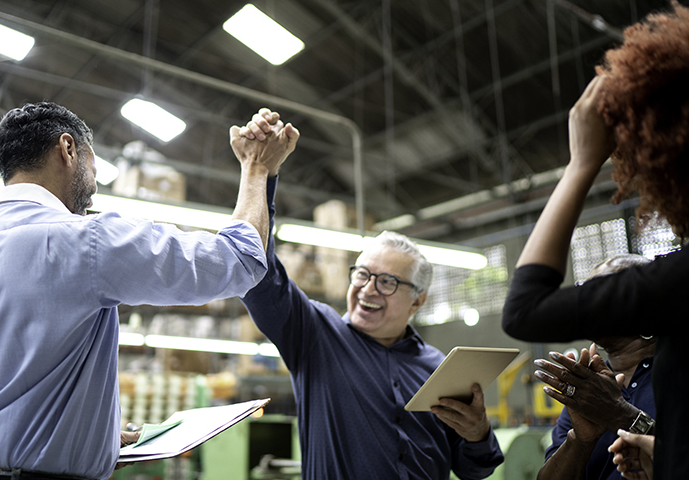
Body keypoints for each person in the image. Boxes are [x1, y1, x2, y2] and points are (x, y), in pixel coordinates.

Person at [0, 102, 298, 480]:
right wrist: (257, 168)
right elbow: (240, 260)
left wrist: (85, 441)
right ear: (68, 150)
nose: (94, 190)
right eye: (93, 164)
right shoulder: (87, 241)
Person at [234, 110, 504, 479]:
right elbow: (257, 273)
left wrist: (478, 434)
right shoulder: (315, 336)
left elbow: (477, 470)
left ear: (418, 301)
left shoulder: (439, 369)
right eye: (362, 274)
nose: (367, 289)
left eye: (387, 282)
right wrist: (260, 172)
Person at [501, 3, 689, 478]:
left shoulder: (677, 288)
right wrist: (587, 435)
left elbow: (525, 309)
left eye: (607, 290)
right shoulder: (595, 382)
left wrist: (583, 162)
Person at [533, 255, 657, 480]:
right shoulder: (589, 389)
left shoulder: (679, 372)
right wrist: (579, 441)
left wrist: (620, 414)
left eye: (602, 290)